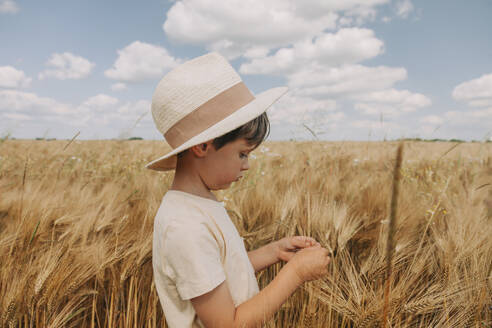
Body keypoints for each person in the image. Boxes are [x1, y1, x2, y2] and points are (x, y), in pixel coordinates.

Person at [148, 52, 331, 328]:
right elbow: (227, 324)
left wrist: (273, 252)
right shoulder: (184, 227)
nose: (247, 166)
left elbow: (220, 272)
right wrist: (296, 273)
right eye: (243, 154)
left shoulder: (199, 204)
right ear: (203, 146)